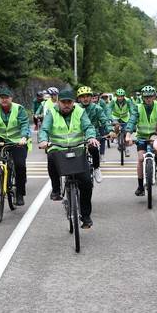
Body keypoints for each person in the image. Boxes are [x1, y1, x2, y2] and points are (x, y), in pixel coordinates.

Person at [39, 89, 100, 229]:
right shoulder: (52, 112)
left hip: (77, 150)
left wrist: (91, 137)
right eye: (63, 102)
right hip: (58, 149)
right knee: (51, 158)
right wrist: (43, 140)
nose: (66, 105)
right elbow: (44, 129)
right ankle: (55, 189)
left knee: (86, 183)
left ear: (73, 102)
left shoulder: (79, 111)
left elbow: (88, 126)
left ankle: (86, 216)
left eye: (69, 102)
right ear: (58, 102)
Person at [125, 85, 157, 196]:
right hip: (142, 137)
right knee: (140, 159)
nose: (148, 99)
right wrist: (128, 135)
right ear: (143, 97)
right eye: (146, 97)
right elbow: (132, 121)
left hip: (156, 136)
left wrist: (156, 134)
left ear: (154, 96)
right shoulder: (138, 107)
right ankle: (140, 186)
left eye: (150, 96)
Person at [76, 86, 113, 183]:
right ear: (79, 98)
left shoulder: (97, 109)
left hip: (93, 136)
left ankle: (97, 168)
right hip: (77, 136)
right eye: (82, 96)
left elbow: (104, 121)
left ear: (91, 97)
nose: (85, 98)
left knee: (93, 148)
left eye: (87, 96)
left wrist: (110, 131)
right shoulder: (75, 108)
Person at [109, 88, 134, 157]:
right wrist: (110, 119)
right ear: (116, 96)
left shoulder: (128, 101)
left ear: (124, 96)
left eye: (121, 96)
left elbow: (132, 110)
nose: (120, 98)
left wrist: (132, 119)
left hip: (125, 117)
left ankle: (127, 148)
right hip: (115, 117)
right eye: (118, 96)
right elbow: (108, 110)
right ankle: (116, 137)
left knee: (126, 132)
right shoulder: (113, 101)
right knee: (116, 126)